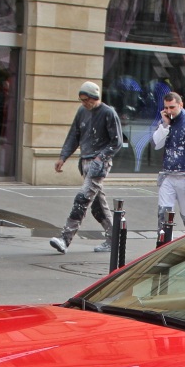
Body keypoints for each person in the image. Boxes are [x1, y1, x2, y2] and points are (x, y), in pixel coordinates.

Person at [50, 81, 122, 254]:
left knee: (82, 199)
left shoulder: (108, 113)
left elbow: (117, 141)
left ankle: (65, 239)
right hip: (86, 162)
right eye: (82, 100)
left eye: (86, 100)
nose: (84, 103)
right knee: (97, 205)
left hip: (99, 163)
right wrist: (63, 157)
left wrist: (101, 157)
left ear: (94, 97)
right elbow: (74, 135)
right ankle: (114, 238)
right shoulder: (82, 111)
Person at [151, 91, 185, 233]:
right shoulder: (165, 122)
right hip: (168, 174)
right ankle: (163, 244)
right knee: (163, 214)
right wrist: (165, 126)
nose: (169, 111)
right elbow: (156, 144)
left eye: (172, 107)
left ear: (180, 105)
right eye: (166, 108)